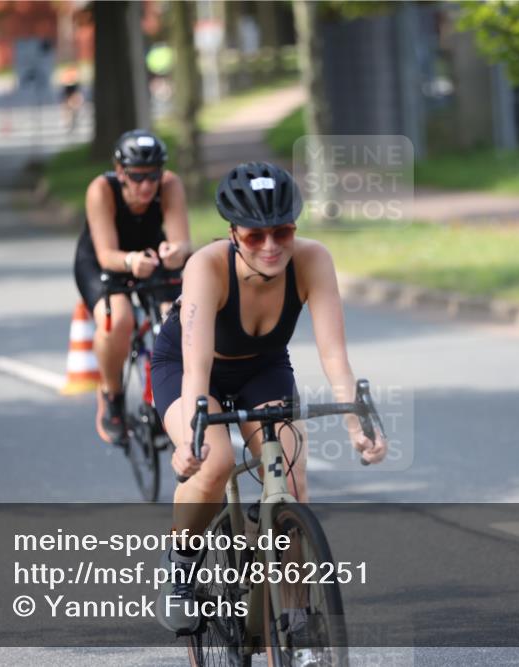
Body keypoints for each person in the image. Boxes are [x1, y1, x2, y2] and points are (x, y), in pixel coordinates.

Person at [150, 161, 388, 634]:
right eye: (255, 236)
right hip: (191, 368)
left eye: (282, 232)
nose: (271, 246)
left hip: (263, 368)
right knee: (214, 464)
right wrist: (188, 443)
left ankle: (295, 615)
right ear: (233, 232)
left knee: (292, 480)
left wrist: (358, 427)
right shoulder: (207, 266)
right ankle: (180, 565)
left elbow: (334, 357)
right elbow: (196, 367)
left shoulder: (313, 259)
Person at [73, 129, 191, 444]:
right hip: (105, 262)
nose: (146, 185)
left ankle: (171, 396)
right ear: (121, 171)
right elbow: (106, 254)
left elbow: (182, 241)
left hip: (152, 257)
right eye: (137, 177)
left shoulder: (170, 185)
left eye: (153, 176)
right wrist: (130, 263)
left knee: (176, 321)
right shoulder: (102, 189)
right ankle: (112, 395)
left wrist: (174, 251)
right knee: (119, 320)